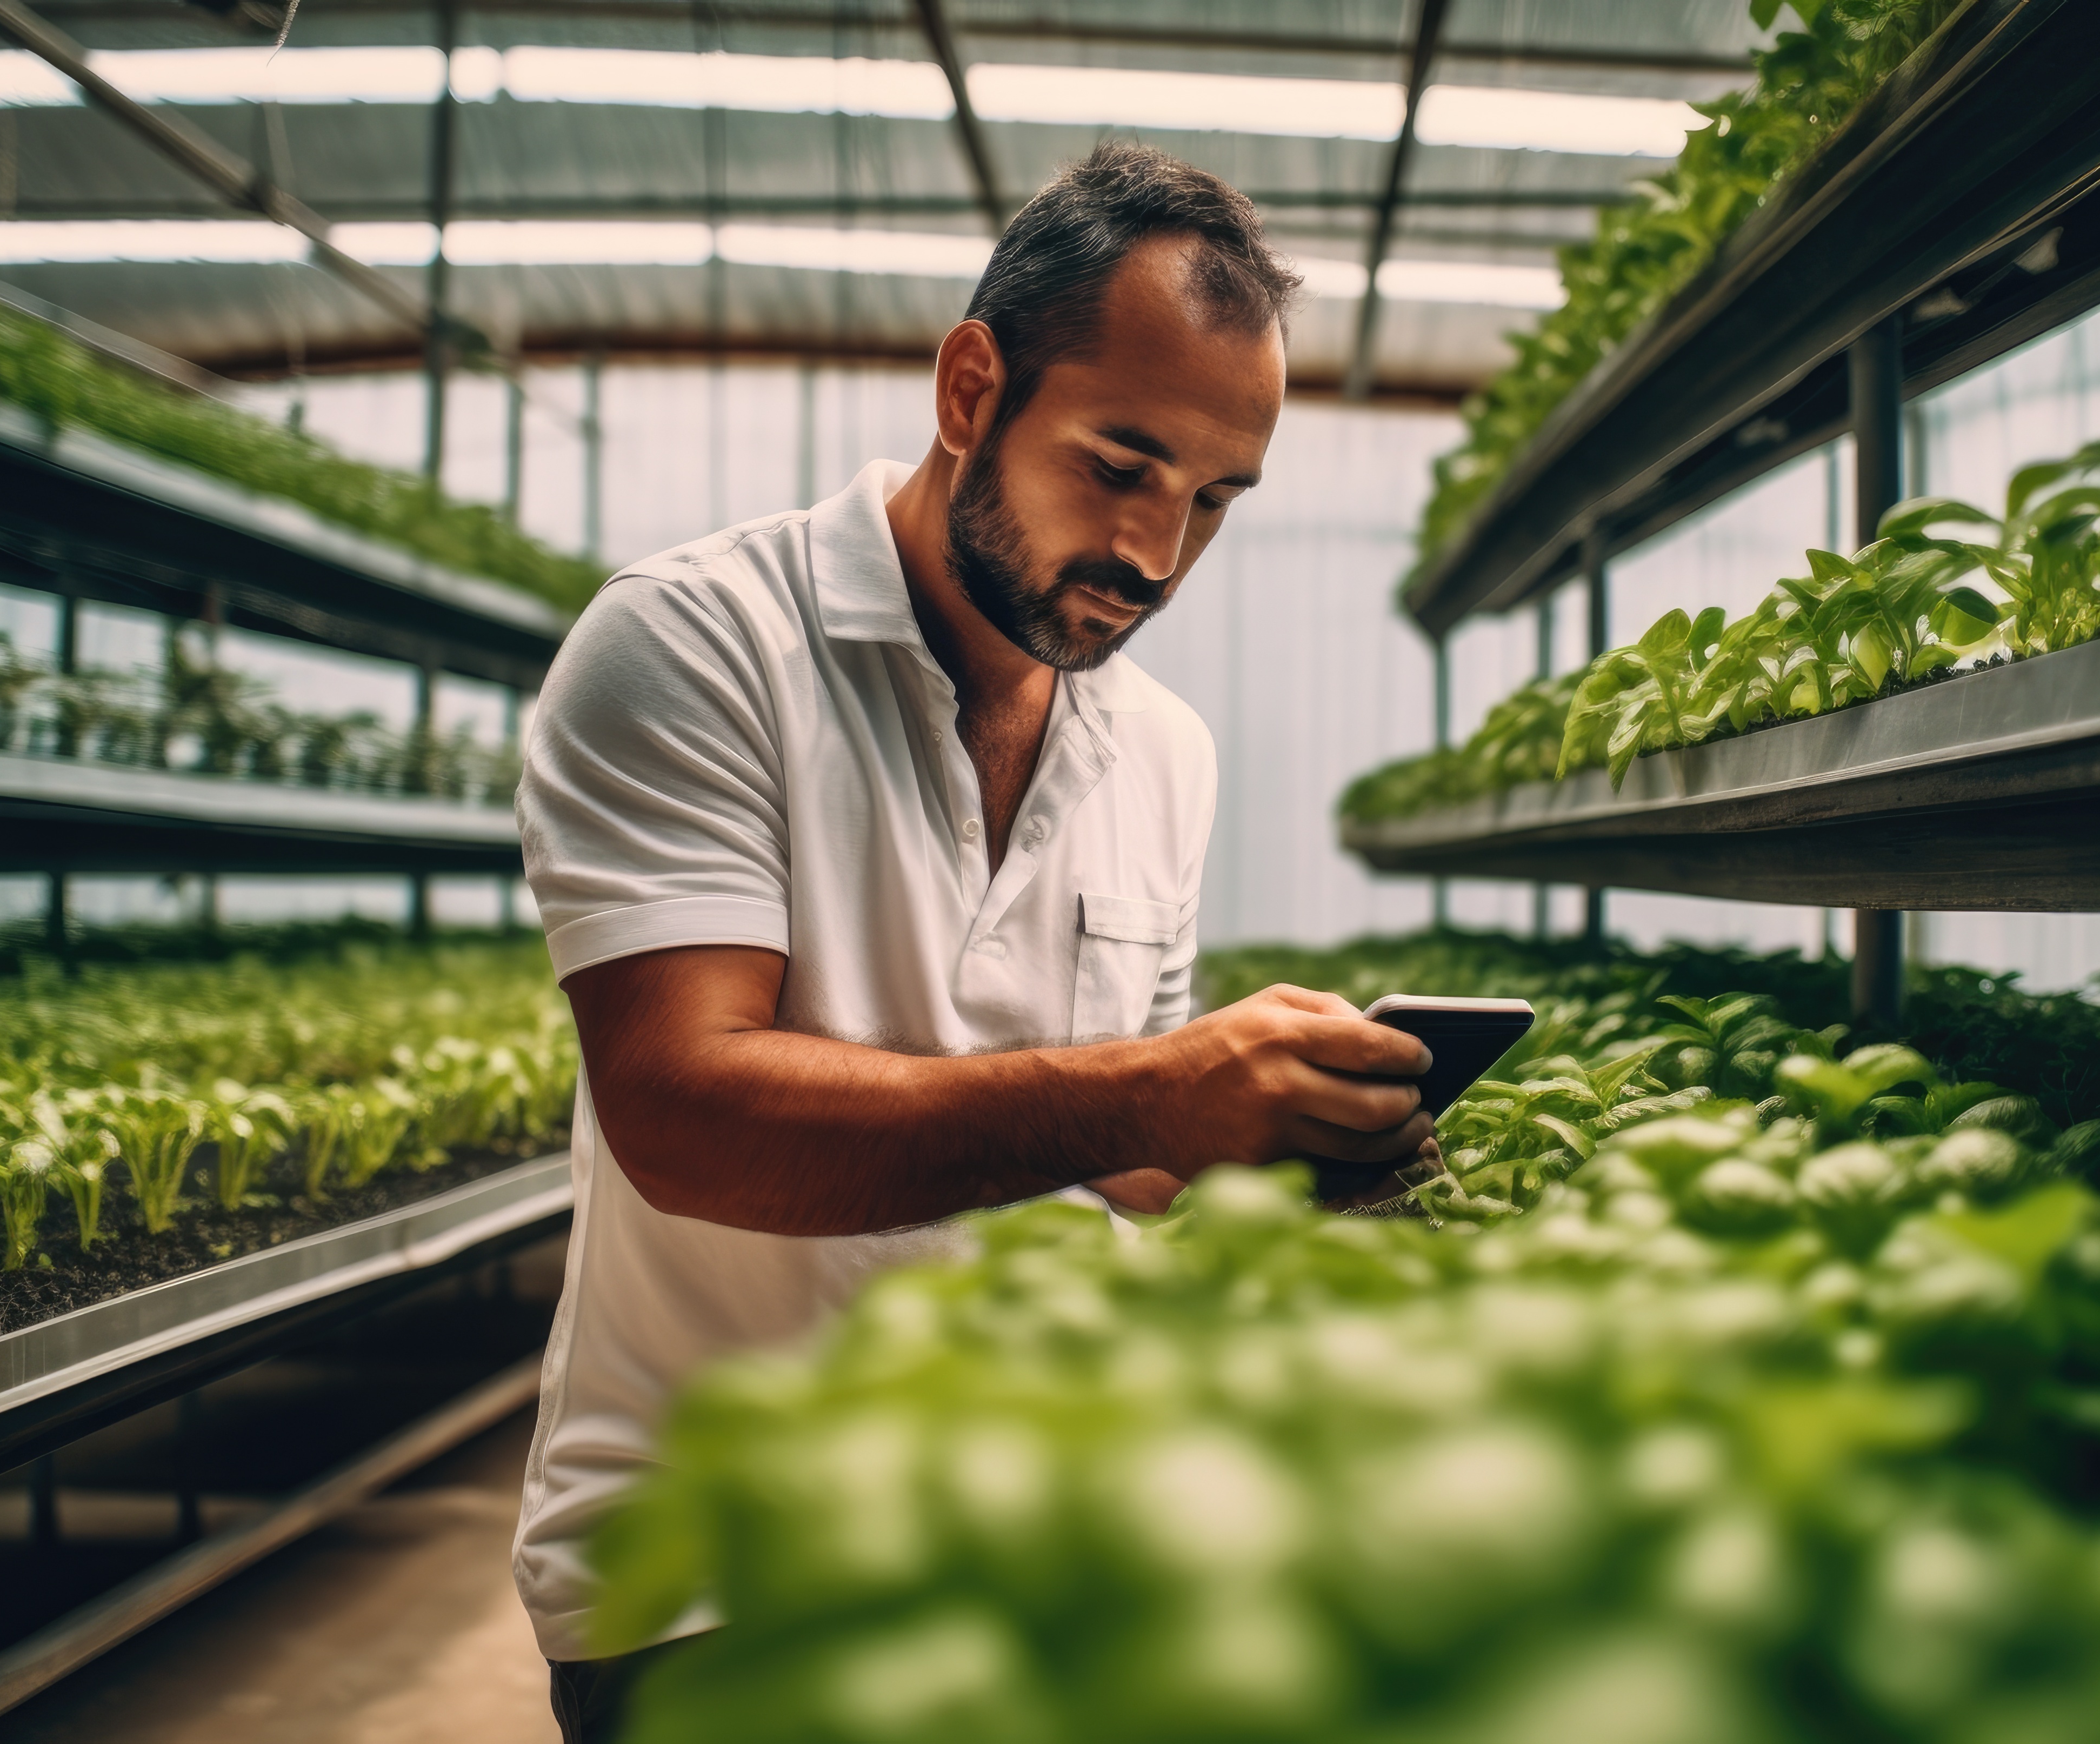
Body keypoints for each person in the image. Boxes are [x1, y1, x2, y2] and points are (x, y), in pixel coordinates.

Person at [513, 141, 1437, 1741]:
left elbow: (1119, 1170)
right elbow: (681, 1114)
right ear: (970, 388)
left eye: (1216, 501)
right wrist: (1154, 1087)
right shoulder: (697, 644)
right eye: (1124, 465)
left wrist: (1285, 1145)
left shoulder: (1164, 751)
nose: (1157, 553)